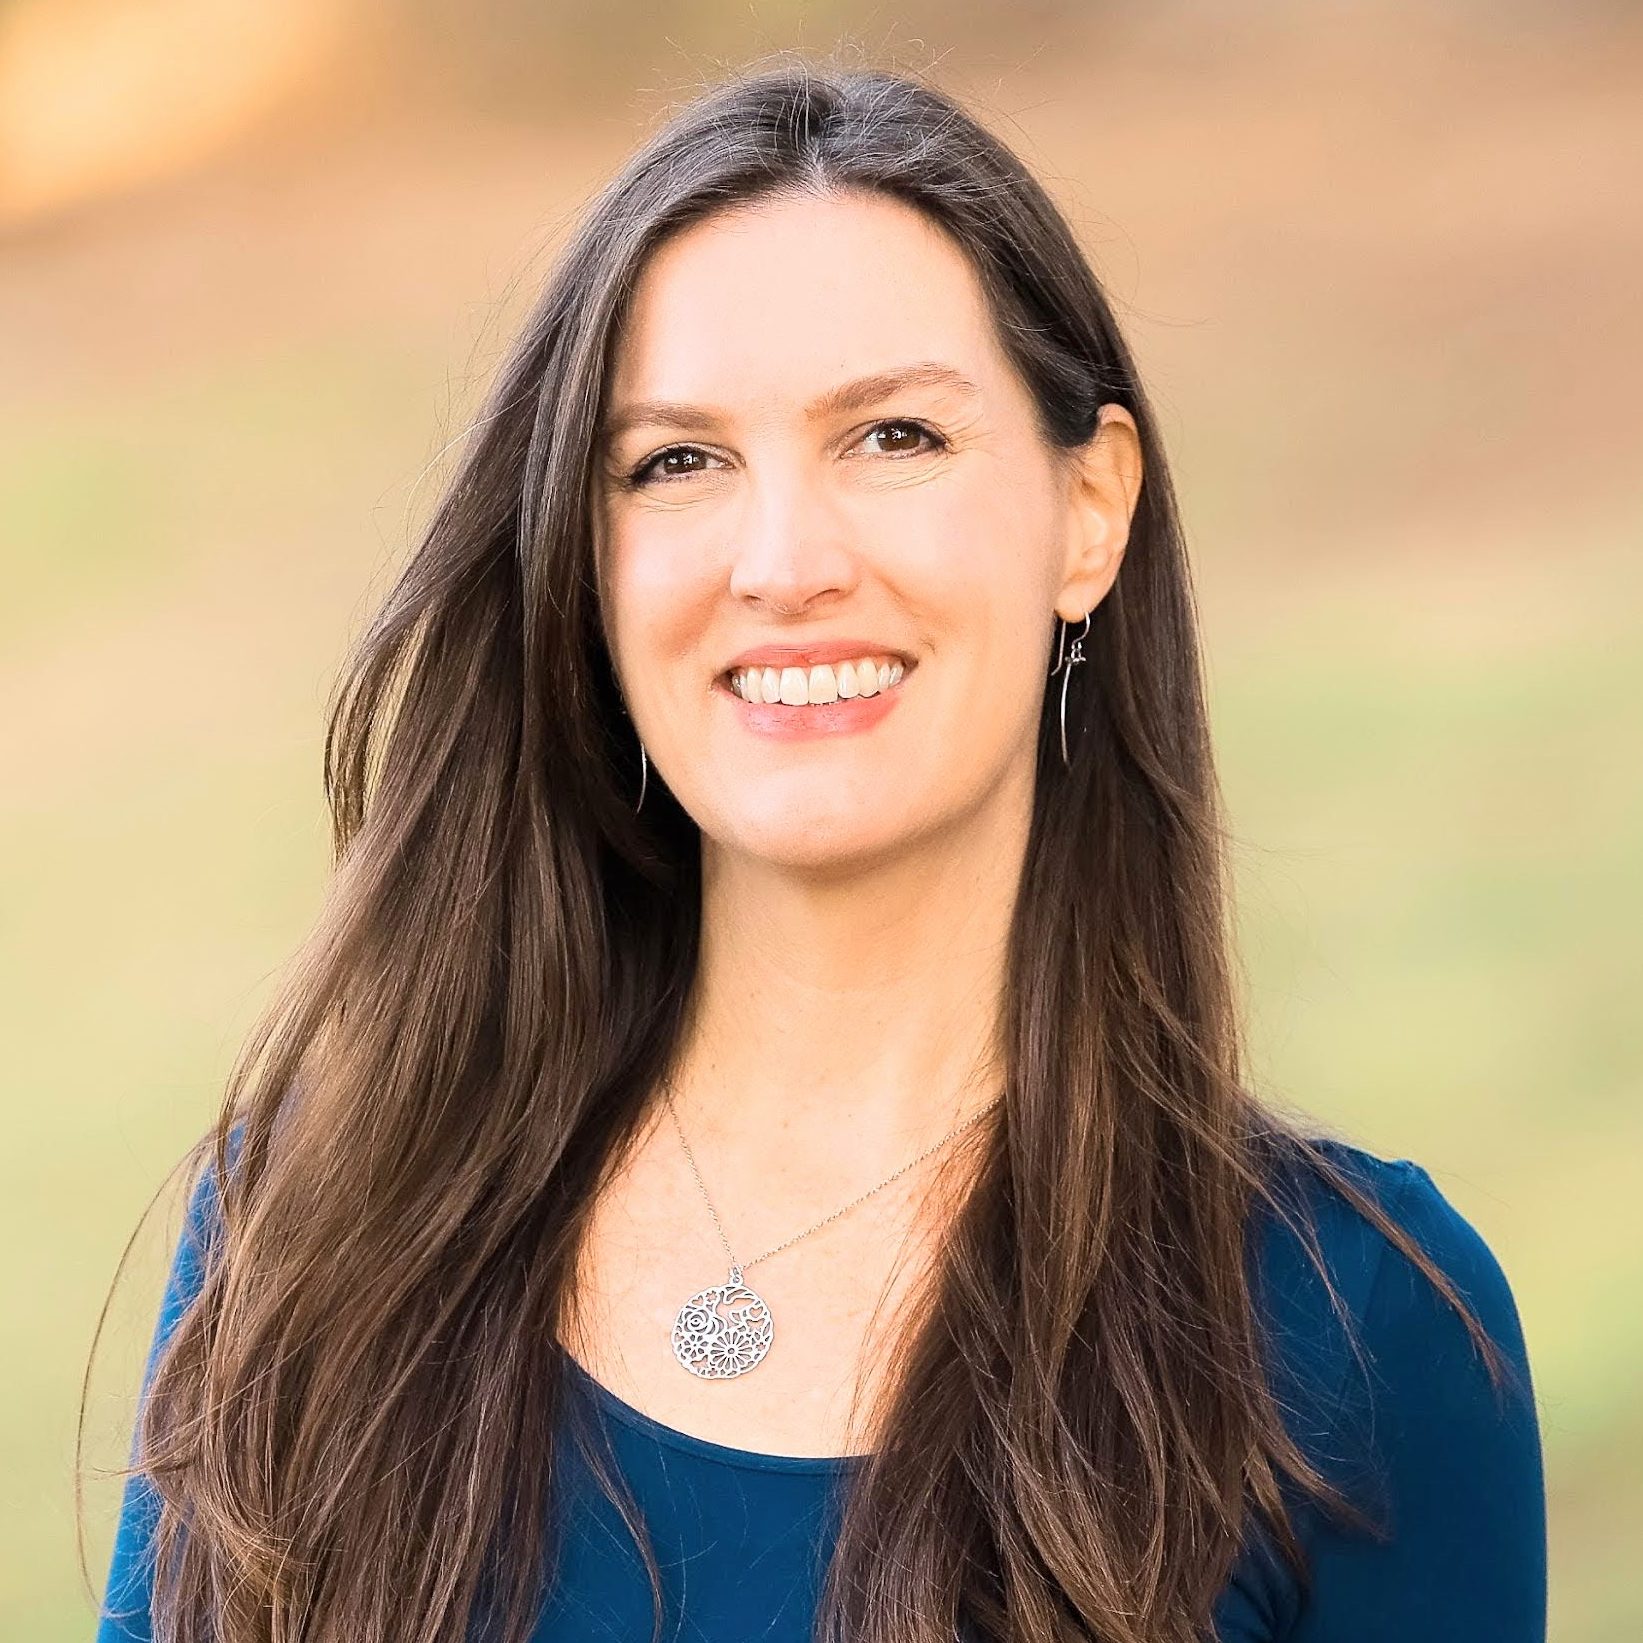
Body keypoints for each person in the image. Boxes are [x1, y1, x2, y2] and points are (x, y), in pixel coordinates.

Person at [89, 57, 1546, 1643]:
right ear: (587, 562)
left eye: (895, 436)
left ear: (1089, 509)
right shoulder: (320, 1231)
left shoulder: (1356, 1334)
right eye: (676, 462)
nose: (784, 563)